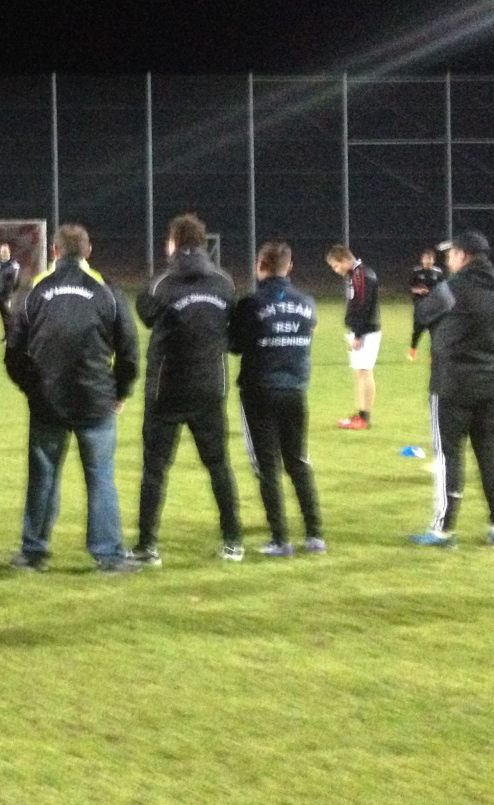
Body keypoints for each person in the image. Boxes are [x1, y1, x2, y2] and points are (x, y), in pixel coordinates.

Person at [4, 223, 141, 573]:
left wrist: (33, 389)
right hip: (95, 400)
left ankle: (33, 552)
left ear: (54, 251)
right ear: (88, 251)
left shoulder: (35, 290)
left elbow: (13, 353)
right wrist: (118, 391)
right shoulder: (107, 290)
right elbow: (129, 351)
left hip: (48, 402)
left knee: (43, 477)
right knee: (100, 478)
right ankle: (108, 555)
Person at [130, 213, 243, 565]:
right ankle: (233, 542)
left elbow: (145, 314)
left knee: (154, 469)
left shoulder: (161, 283)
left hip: (166, 390)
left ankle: (147, 546)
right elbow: (234, 328)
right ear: (203, 243)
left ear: (173, 243)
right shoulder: (224, 282)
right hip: (209, 387)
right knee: (219, 466)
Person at [409, 229, 494, 547]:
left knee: (448, 454)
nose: (447, 260)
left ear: (463, 256)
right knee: (490, 451)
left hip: (452, 383)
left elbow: (423, 313)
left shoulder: (453, 287)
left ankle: (443, 529)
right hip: (492, 382)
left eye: (451, 254)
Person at [230, 241, 326, 557]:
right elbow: (307, 333)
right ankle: (314, 535)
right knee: (298, 462)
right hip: (295, 389)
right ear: (289, 266)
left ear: (260, 266)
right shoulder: (307, 302)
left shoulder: (251, 303)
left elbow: (235, 345)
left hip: (259, 390)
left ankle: (280, 539)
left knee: (267, 465)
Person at [325, 244, 380, 428]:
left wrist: (357, 334)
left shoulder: (361, 275)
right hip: (361, 330)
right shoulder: (356, 274)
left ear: (345, 260)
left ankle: (364, 417)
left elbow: (363, 306)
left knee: (365, 372)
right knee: (360, 373)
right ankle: (360, 414)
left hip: (366, 332)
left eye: (336, 265)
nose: (336, 270)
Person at [407, 248, 445, 360]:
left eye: (430, 259)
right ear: (422, 260)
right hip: (421, 307)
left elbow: (443, 288)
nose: (428, 261)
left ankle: (433, 355)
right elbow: (410, 287)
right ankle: (412, 351)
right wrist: (418, 290)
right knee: (417, 331)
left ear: (433, 260)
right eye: (426, 259)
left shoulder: (438, 272)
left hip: (434, 308)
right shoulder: (416, 272)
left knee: (435, 332)